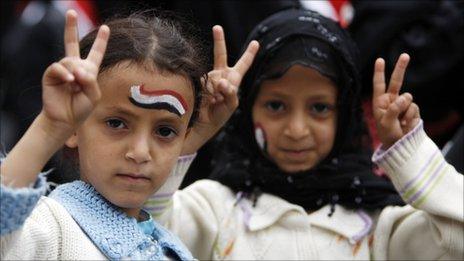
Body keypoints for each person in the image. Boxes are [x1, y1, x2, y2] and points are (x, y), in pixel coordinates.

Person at [145, 9, 463, 260]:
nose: (297, 131)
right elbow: (142, 226)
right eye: (275, 106)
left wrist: (410, 151)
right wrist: (194, 134)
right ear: (245, 111)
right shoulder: (214, 209)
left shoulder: (381, 226)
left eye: (320, 108)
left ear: (346, 115)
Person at [0, 9, 258, 260]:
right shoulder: (52, 228)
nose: (140, 153)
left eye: (165, 131)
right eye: (116, 123)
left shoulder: (170, 244)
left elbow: (158, 206)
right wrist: (50, 127)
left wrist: (200, 130)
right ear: (74, 128)